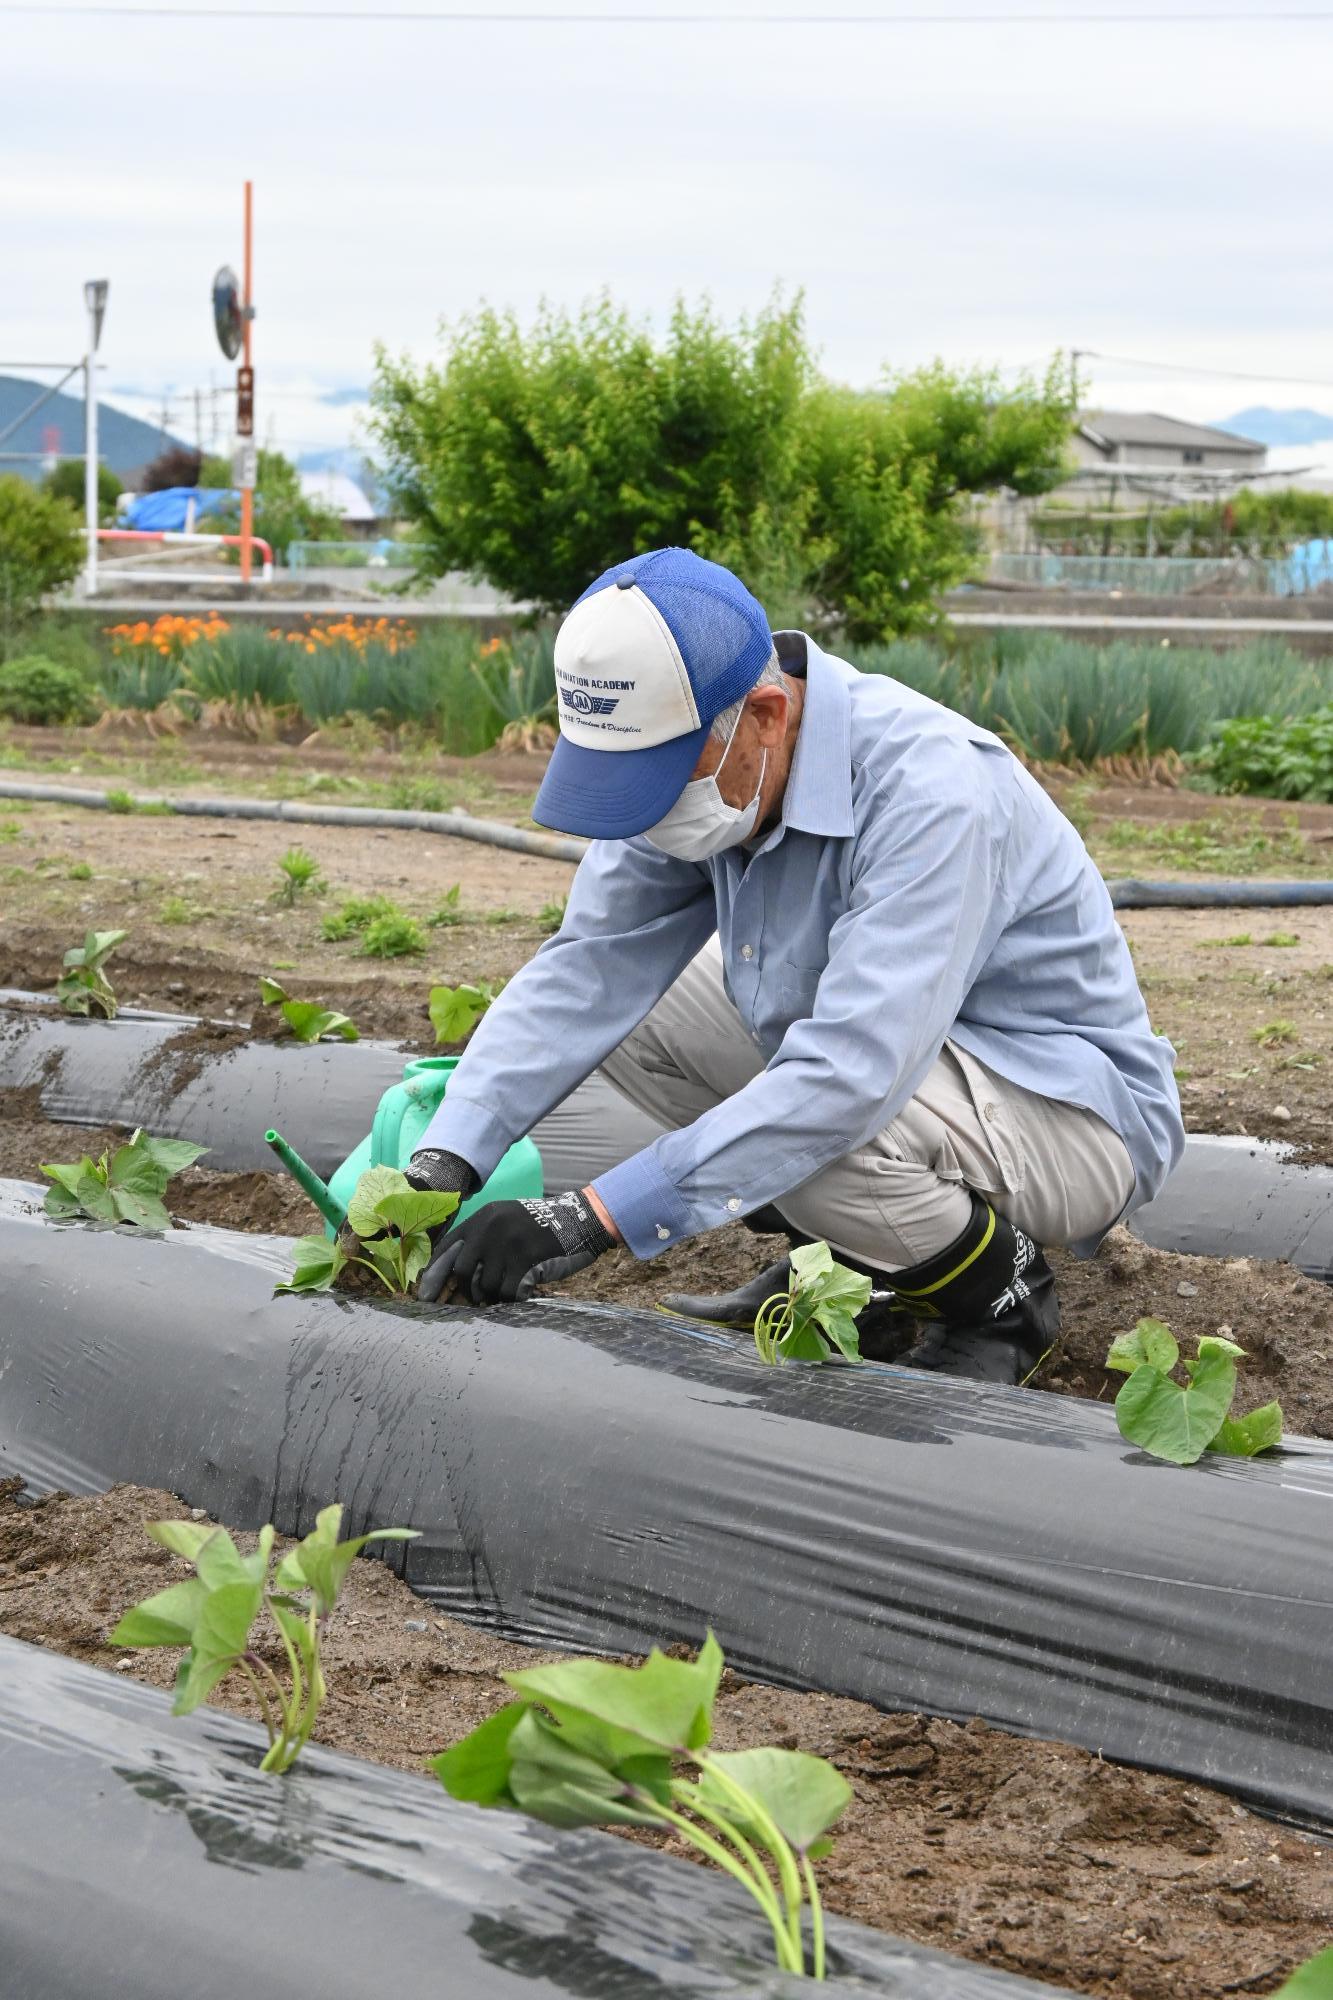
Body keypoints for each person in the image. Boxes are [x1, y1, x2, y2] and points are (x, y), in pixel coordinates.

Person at [404, 546, 1184, 1385]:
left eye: (663, 780)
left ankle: (999, 1299)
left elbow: (848, 1079)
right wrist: (447, 1158)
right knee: (637, 1020)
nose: (648, 813)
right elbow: (587, 969)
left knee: (820, 1127)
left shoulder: (932, 791)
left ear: (767, 717)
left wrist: (588, 1218)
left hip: (1061, 1114)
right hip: (914, 1076)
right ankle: (850, 1255)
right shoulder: (716, 769)